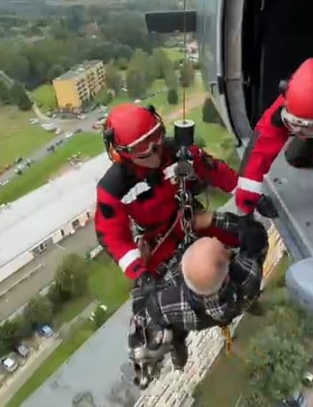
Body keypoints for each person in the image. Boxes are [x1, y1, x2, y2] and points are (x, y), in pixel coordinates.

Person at [95, 102, 239, 282]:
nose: (155, 151)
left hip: (191, 219)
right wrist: (139, 274)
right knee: (172, 287)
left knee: (240, 237)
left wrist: (245, 193)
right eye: (142, 148)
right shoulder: (115, 189)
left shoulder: (178, 154)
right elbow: (113, 237)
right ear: (123, 153)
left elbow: (215, 171)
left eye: (156, 137)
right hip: (158, 242)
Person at [128, 211, 268, 386]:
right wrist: (213, 220)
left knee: (170, 327)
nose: (218, 240)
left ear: (179, 268)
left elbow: (141, 311)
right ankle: (250, 305)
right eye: (223, 247)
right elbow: (256, 235)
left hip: (193, 318)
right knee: (244, 298)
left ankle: (176, 341)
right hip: (237, 302)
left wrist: (144, 266)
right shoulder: (248, 274)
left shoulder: (166, 301)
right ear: (227, 273)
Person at [235, 57, 313, 216]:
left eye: (305, 128)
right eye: (295, 125)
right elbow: (262, 142)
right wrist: (247, 200)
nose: (298, 131)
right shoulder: (293, 98)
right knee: (296, 155)